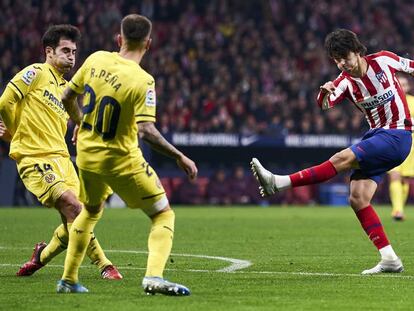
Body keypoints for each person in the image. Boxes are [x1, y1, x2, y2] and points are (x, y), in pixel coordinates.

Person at [251, 29, 414, 275]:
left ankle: (279, 182)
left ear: (358, 52)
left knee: (341, 158)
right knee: (358, 198)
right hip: (377, 135)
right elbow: (326, 104)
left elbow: (411, 66)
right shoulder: (344, 81)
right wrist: (324, 94)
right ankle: (389, 258)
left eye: (345, 57)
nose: (341, 64)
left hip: (398, 134)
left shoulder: (383, 60)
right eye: (336, 59)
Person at [58, 14, 198, 295]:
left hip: (86, 154)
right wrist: (180, 156)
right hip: (120, 159)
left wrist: (81, 122)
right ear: (149, 43)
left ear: (119, 39)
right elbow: (146, 130)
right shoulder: (143, 80)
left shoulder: (96, 59)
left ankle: (69, 279)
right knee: (162, 215)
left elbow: (66, 97)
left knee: (90, 211)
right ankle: (154, 277)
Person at [0, 25, 121, 280]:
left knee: (81, 215)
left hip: (63, 160)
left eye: (74, 52)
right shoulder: (35, 72)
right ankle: (105, 265)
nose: (71, 56)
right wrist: (13, 133)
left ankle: (40, 257)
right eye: (65, 50)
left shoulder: (67, 91)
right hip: (35, 158)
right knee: (75, 208)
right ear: (49, 51)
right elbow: (4, 102)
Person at [388, 75, 414, 221]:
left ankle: (400, 209)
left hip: (411, 142)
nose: (402, 87)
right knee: (394, 174)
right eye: (400, 84)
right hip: (393, 141)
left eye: (404, 85)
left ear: (408, 87)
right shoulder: (389, 102)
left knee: (405, 179)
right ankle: (397, 210)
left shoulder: (413, 102)